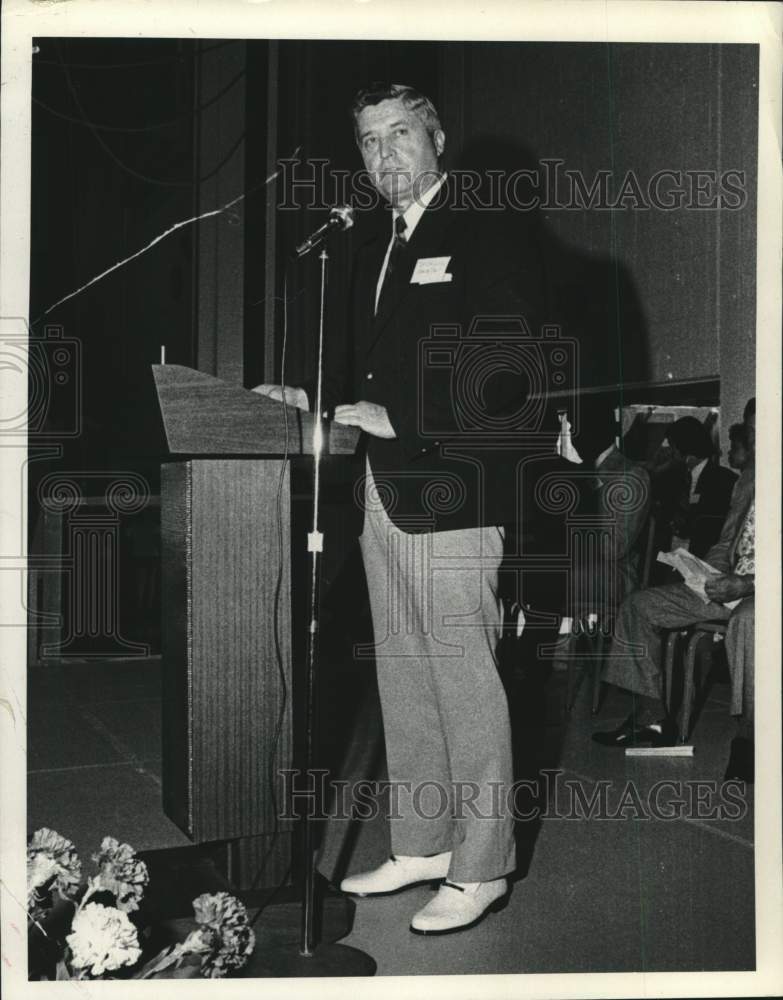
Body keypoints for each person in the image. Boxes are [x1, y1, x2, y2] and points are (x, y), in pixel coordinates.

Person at [258, 82, 548, 934]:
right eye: (369, 142)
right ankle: (423, 842)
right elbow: (365, 374)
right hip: (384, 492)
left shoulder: (487, 224)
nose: (384, 156)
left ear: (437, 139)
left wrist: (411, 419)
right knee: (404, 675)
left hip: (456, 485)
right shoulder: (370, 242)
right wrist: (306, 395)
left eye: (400, 135)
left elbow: (512, 359)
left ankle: (484, 862)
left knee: (464, 679)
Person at [592, 398, 755, 783]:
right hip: (727, 585)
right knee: (638, 605)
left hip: (760, 593)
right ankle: (651, 718)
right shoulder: (750, 478)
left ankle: (750, 739)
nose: (757, 442)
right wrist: (706, 571)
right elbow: (726, 539)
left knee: (747, 620)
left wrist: (747, 583)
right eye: (751, 434)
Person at [658, 415, 737, 559]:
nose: (671, 454)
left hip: (705, 560)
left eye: (673, 447)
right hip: (672, 560)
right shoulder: (672, 479)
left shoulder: (725, 480)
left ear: (685, 448)